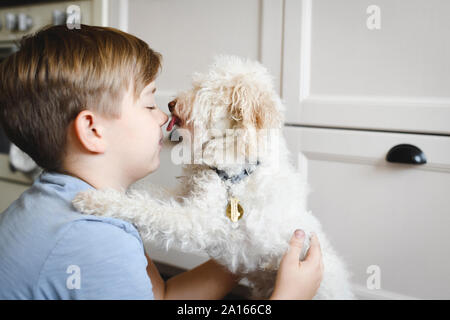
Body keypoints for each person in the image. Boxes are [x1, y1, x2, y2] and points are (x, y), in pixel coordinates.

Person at [0, 24, 323, 300]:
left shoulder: (70, 201)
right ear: (93, 130)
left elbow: (161, 295)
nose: (164, 116)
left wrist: (242, 255)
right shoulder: (93, 240)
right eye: (148, 103)